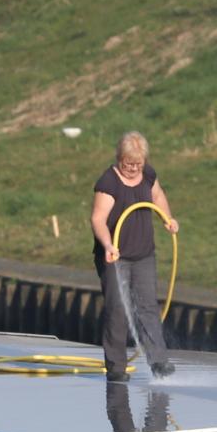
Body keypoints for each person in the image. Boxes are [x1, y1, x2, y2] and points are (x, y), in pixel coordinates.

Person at [91, 132, 179, 378]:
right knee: (118, 309)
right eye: (128, 163)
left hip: (143, 255)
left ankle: (159, 361)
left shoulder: (148, 175)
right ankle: (116, 367)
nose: (133, 168)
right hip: (114, 257)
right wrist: (108, 245)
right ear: (119, 158)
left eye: (137, 164)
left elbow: (157, 196)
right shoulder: (109, 182)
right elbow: (98, 219)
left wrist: (167, 218)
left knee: (147, 306)